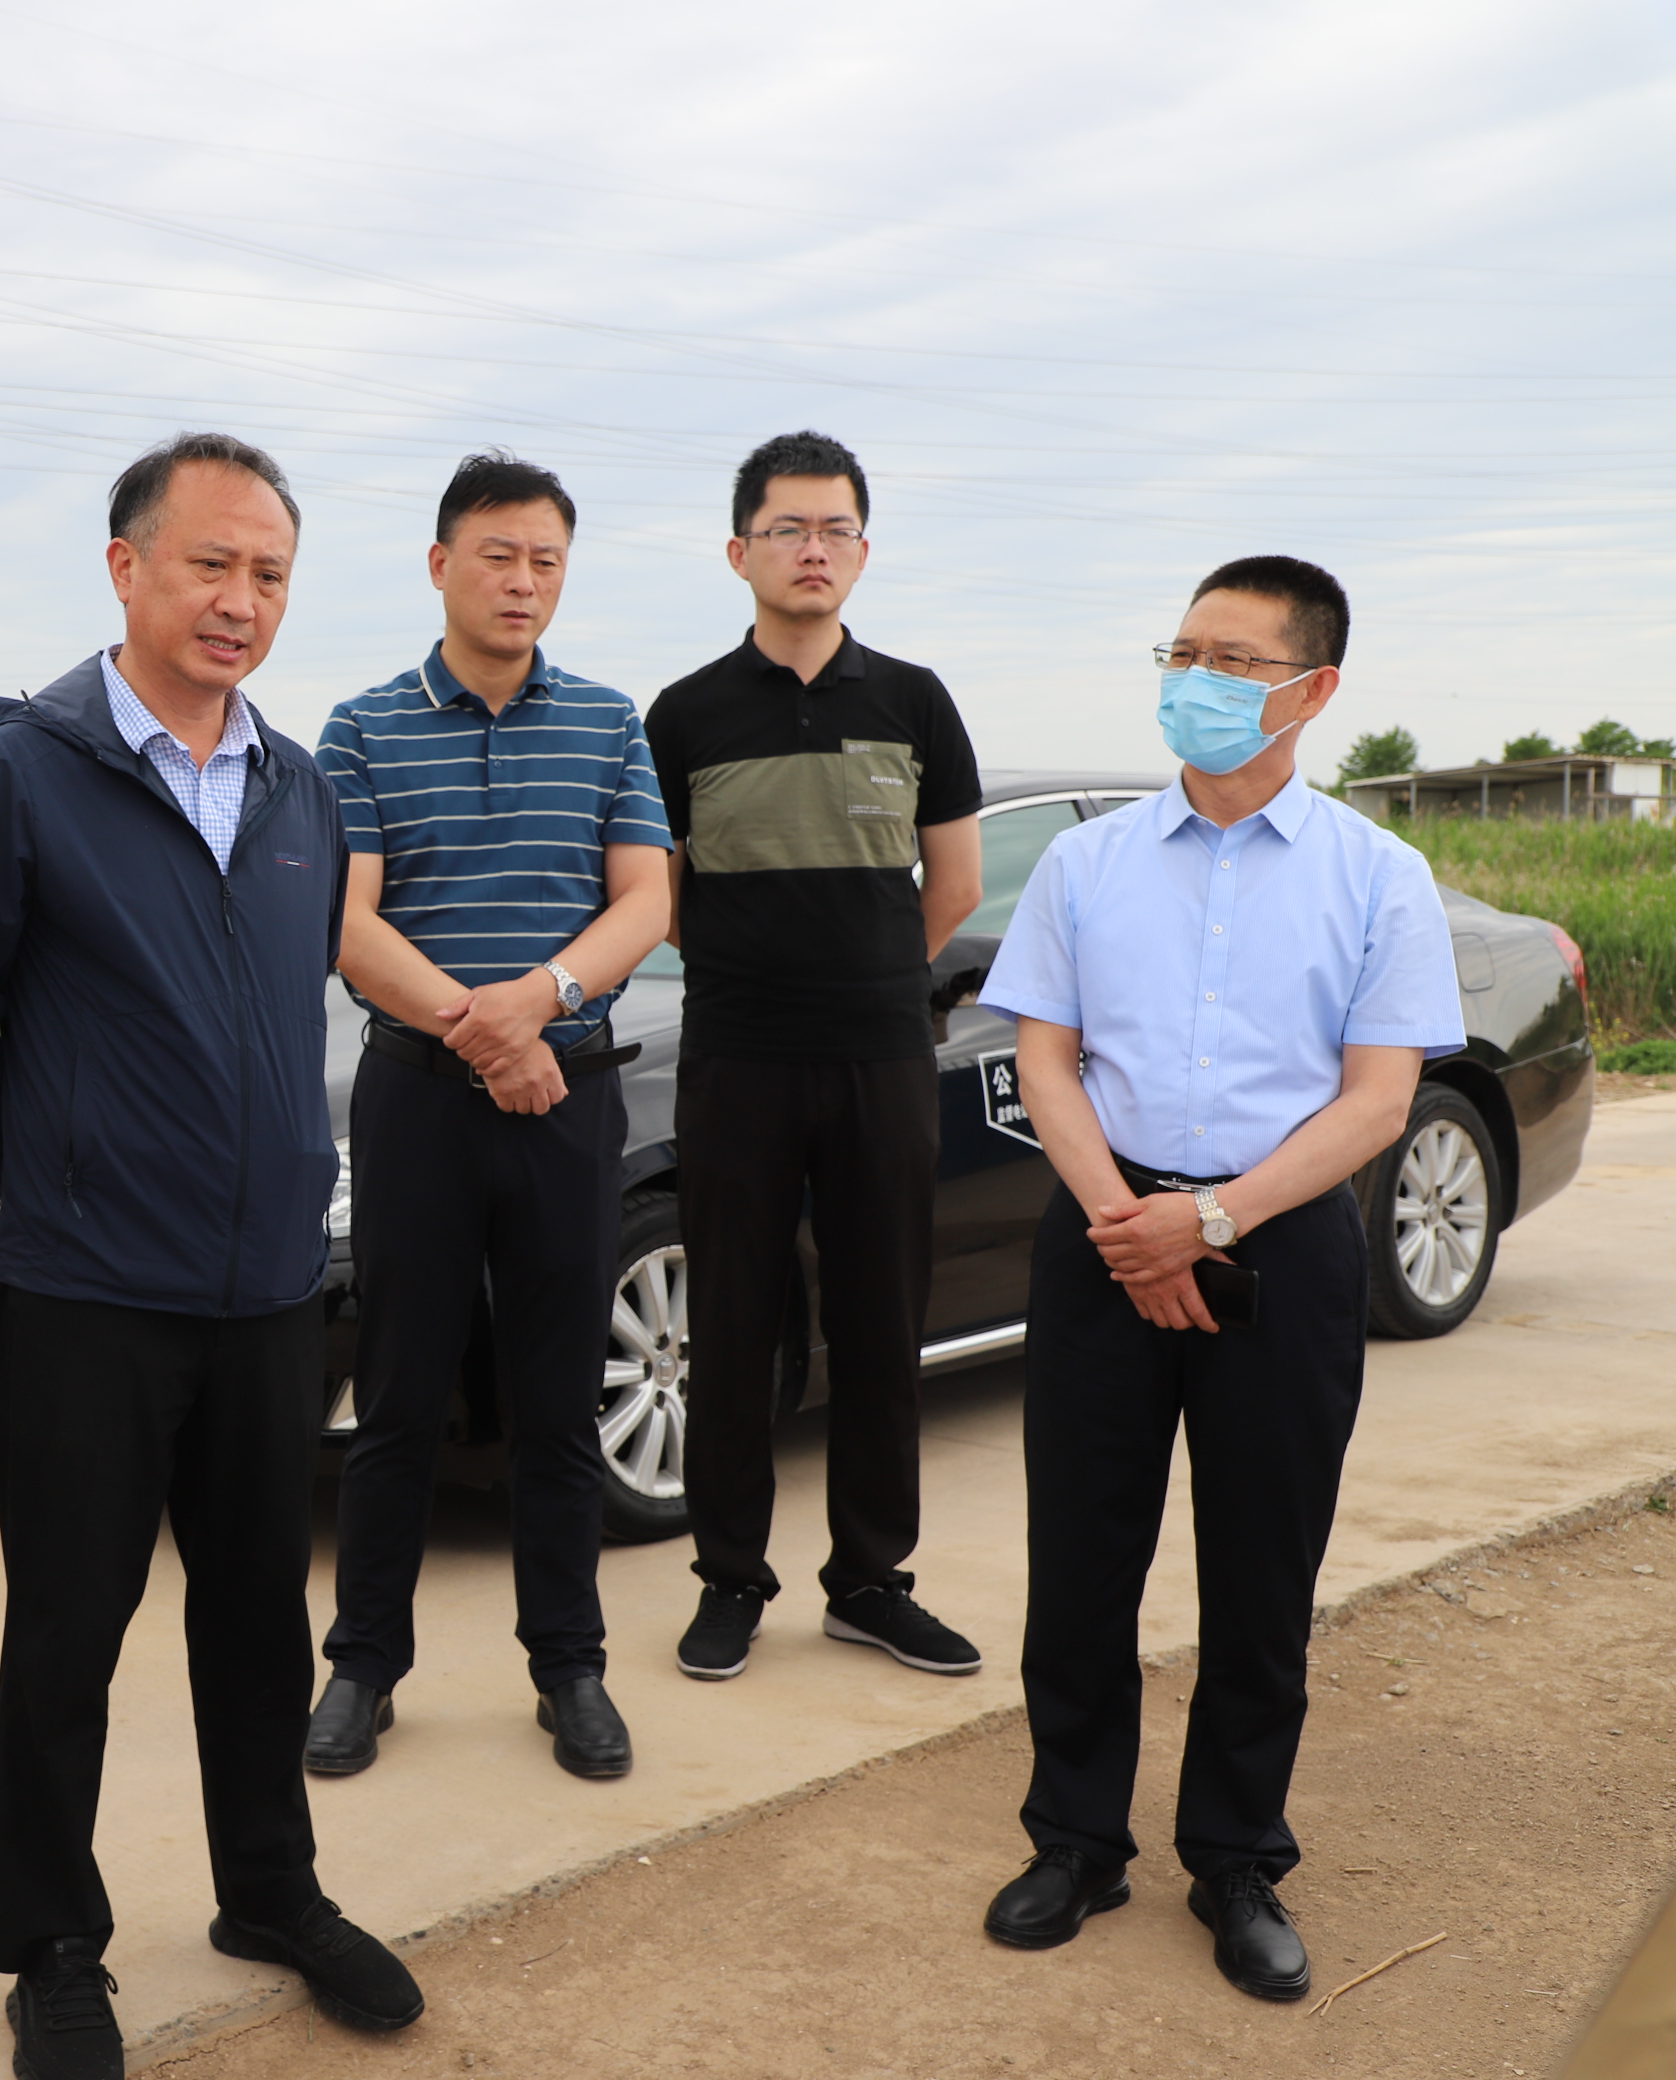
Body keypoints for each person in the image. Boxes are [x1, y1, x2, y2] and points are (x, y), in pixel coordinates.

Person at [0, 432, 423, 2080]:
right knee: (69, 1629)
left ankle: (270, 1891)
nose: (239, 600)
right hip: (90, 1294)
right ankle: (52, 1945)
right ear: (126, 567)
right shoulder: (22, 774)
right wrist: (62, 1174)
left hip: (267, 1288)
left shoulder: (297, 788)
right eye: (210, 563)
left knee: (259, 1620)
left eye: (269, 573)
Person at [976, 557, 1459, 2002]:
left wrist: (1217, 1220)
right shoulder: (1089, 864)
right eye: (1182, 652)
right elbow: (1045, 1060)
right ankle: (1076, 1839)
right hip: (1103, 1228)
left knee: (1262, 1566)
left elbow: (1379, 1099)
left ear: (1313, 689)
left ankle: (1237, 1855)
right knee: (1081, 1557)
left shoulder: (1377, 875)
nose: (1196, 679)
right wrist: (1129, 1223)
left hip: (1281, 1239)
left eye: (1234, 660)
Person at [306, 450, 672, 1782]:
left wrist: (540, 1003)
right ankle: (362, 1667)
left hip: (568, 1098)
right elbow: (346, 921)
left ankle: (570, 1666)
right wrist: (483, 1031)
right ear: (440, 564)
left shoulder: (609, 722)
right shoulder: (360, 727)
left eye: (546, 561)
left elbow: (646, 899)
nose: (524, 581)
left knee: (558, 1398)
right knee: (398, 1393)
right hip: (420, 1101)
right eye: (499, 555)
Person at [644, 430, 986, 1685]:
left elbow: (953, 885)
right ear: (740, 551)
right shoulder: (684, 714)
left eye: (835, 528)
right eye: (787, 528)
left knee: (881, 1321)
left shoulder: (915, 699)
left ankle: (871, 1581)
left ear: (862, 551)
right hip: (737, 1055)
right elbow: (664, 898)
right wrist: (764, 977)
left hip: (881, 1058)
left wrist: (866, 977)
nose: (812, 549)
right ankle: (730, 1578)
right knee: (733, 1323)